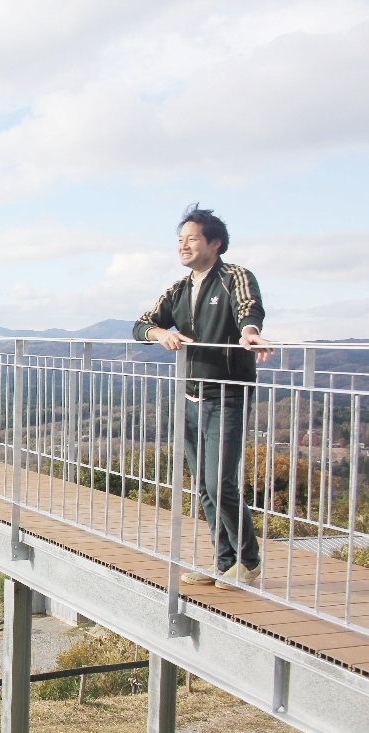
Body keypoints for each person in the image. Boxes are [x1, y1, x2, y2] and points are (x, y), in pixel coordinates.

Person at [133, 204, 273, 589]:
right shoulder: (179, 288)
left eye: (192, 239)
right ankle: (224, 562)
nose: (184, 246)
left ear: (216, 242)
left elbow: (249, 307)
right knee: (204, 489)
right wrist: (160, 334)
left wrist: (250, 331)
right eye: (180, 240)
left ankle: (249, 561)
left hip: (226, 394)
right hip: (191, 396)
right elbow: (142, 323)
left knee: (219, 484)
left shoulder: (234, 276)